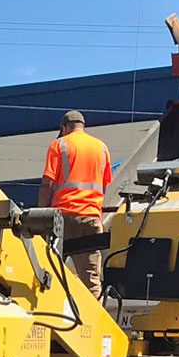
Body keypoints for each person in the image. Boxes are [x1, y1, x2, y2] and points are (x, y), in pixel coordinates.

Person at [38, 110, 112, 299]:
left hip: (62, 219)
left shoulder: (59, 144)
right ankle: (95, 323)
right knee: (91, 280)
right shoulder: (102, 148)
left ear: (64, 128)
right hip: (90, 218)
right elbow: (103, 186)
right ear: (83, 126)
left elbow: (47, 183)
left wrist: (40, 214)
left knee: (50, 273)